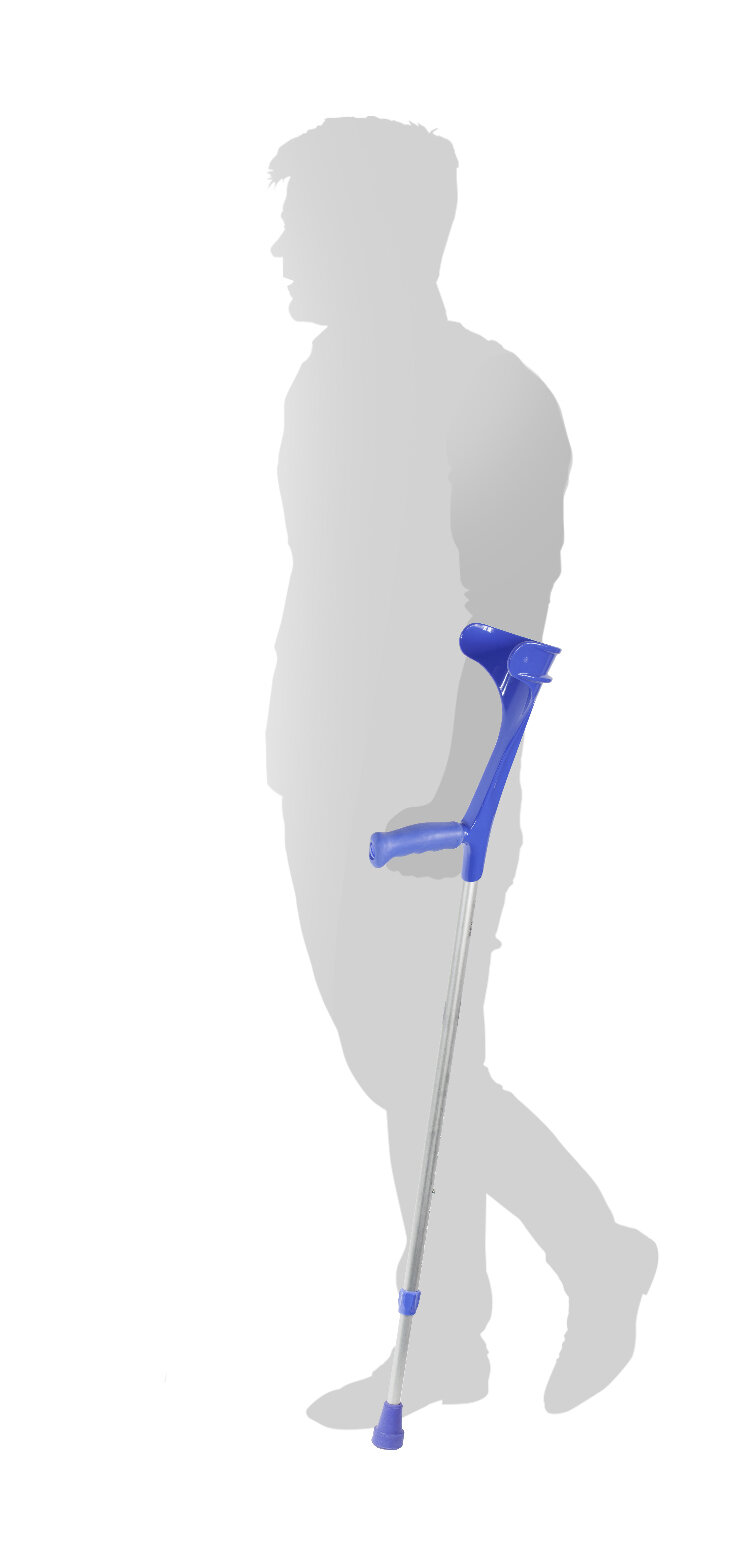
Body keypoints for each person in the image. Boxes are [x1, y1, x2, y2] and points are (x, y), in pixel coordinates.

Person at [266, 116, 657, 1425]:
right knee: (400, 1066)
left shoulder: (491, 398)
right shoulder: (322, 385)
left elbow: (512, 622)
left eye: (305, 224)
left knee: (421, 1060)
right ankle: (464, 1337)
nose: (281, 249)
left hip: (433, 778)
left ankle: (582, 1261)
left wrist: (465, 791)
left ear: (379, 232)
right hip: (324, 763)